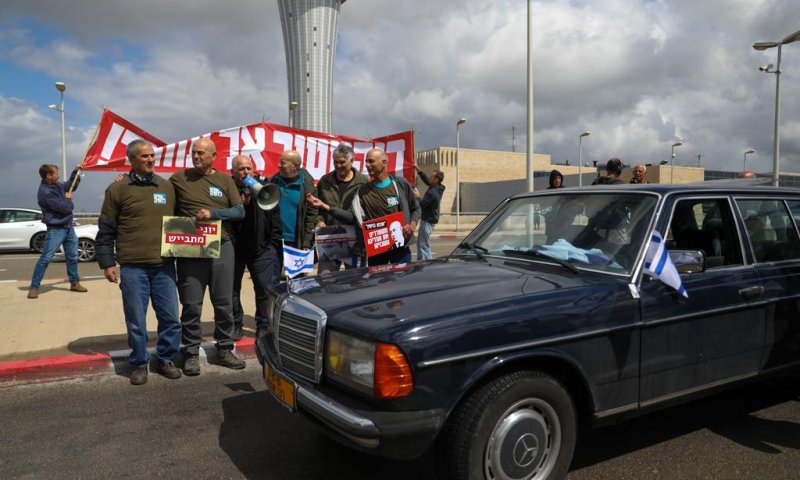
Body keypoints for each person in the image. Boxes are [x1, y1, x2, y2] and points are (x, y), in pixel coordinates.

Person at [95, 139, 182, 385]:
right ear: (131, 159)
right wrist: (107, 263)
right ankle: (140, 362)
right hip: (132, 267)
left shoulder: (166, 187)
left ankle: (165, 358)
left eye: (152, 156)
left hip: (164, 265)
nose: (150, 160)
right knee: (136, 320)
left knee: (170, 318)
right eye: (144, 156)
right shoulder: (117, 189)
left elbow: (181, 221)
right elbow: (106, 229)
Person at [170, 138, 246, 375]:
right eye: (194, 152)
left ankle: (224, 348)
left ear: (214, 155)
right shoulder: (178, 179)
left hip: (222, 245)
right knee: (191, 303)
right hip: (190, 245)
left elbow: (239, 210)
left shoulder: (224, 180)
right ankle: (191, 352)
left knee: (223, 302)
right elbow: (158, 197)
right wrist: (126, 179)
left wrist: (213, 213)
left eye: (201, 153)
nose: (196, 156)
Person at [306, 148, 420, 266]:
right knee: (377, 283)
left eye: (371, 161)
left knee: (401, 282)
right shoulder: (362, 191)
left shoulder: (400, 184)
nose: (367, 165)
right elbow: (352, 217)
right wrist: (326, 207)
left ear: (384, 163)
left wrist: (412, 225)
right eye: (366, 162)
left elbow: (416, 208)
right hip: (377, 250)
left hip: (400, 247)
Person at [230, 155, 282, 340]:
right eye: (241, 169)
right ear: (233, 172)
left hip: (262, 249)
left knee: (264, 290)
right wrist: (239, 204)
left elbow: (275, 217)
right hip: (235, 250)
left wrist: (272, 245)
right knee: (232, 290)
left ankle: (262, 324)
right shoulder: (228, 189)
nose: (246, 172)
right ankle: (236, 323)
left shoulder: (263, 187)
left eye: (248, 168)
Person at [27, 164, 88, 299]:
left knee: (72, 257)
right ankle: (34, 287)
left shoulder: (57, 186)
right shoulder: (45, 193)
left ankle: (74, 283)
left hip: (68, 227)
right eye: (56, 174)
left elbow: (69, 185)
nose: (58, 176)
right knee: (46, 258)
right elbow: (66, 208)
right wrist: (68, 199)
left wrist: (76, 172)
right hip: (56, 230)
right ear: (48, 176)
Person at [314, 143, 368, 272]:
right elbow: (317, 207)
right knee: (325, 279)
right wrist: (319, 220)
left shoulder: (363, 182)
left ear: (352, 161)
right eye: (335, 162)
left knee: (356, 281)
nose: (338, 166)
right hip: (329, 240)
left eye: (342, 162)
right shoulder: (325, 181)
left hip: (355, 241)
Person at [272, 150, 317, 250]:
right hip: (273, 240)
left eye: (282, 163)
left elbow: (311, 216)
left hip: (296, 243)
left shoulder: (307, 187)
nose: (278, 165)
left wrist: (306, 243)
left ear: (295, 166)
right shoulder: (273, 182)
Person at [414, 166, 445, 260]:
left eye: (432, 177)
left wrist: (417, 196)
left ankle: (426, 265)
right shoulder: (438, 187)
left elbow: (422, 204)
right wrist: (418, 169)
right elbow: (427, 181)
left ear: (436, 179)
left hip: (427, 222)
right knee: (421, 243)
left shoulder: (433, 192)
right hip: (429, 220)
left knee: (423, 245)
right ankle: (421, 262)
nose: (430, 178)